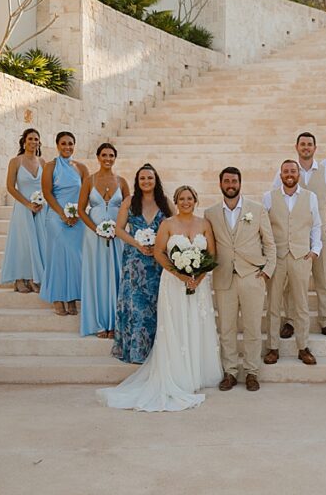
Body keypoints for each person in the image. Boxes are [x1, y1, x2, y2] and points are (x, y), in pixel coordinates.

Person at [98, 185, 221, 412]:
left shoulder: (204, 224)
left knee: (196, 323)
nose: (186, 202)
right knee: (175, 326)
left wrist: (198, 278)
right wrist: (180, 275)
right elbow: (159, 253)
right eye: (181, 199)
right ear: (176, 201)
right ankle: (177, 374)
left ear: (196, 200)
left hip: (198, 284)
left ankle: (196, 374)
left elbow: (211, 254)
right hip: (173, 283)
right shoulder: (167, 224)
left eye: (189, 198)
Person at [204, 167, 276, 392]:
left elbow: (270, 243)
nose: (230, 184)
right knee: (226, 328)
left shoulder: (256, 209)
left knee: (253, 327)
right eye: (226, 181)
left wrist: (266, 271)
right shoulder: (211, 213)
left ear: (240, 183)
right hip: (224, 277)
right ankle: (230, 372)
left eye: (234, 181)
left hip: (252, 277)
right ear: (220, 184)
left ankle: (252, 371)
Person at [271, 132, 326, 340]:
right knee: (291, 283)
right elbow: (274, 199)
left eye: (309, 144)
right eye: (302, 144)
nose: (306, 147)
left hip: (320, 233)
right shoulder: (285, 172)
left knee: (323, 278)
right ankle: (291, 321)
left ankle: (325, 320)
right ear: (296, 147)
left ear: (315, 148)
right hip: (294, 237)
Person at [112, 164, 173, 364]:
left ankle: (158, 351)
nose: (146, 181)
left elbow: (176, 225)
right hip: (135, 261)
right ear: (137, 182)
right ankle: (137, 351)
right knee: (137, 305)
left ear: (156, 181)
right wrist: (137, 244)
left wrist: (160, 245)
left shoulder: (165, 202)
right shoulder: (129, 202)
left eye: (150, 178)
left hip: (158, 262)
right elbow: (119, 229)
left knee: (156, 304)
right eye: (142, 178)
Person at [263, 159, 322, 366]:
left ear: (299, 174)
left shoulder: (310, 197)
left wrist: (315, 250)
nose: (289, 174)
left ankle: (303, 347)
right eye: (286, 171)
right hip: (276, 258)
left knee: (301, 305)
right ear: (280, 175)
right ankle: (272, 348)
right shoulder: (268, 198)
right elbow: (263, 228)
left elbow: (316, 226)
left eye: (293, 171)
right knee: (273, 304)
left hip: (301, 257)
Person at [78, 143, 129, 338]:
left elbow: (129, 208)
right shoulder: (89, 181)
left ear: (115, 158)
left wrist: (119, 229)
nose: (108, 158)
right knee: (97, 276)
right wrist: (96, 229)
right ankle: (99, 323)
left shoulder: (122, 182)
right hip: (94, 237)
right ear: (98, 157)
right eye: (104, 155)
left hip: (117, 237)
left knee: (117, 276)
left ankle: (115, 323)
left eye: (111, 155)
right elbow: (82, 210)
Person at [39, 131, 89, 315]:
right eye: (64, 143)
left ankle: (71, 297)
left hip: (77, 218)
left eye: (70, 143)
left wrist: (78, 213)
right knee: (58, 257)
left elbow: (87, 194)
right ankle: (58, 297)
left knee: (76, 258)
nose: (67, 147)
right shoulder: (50, 166)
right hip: (56, 217)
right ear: (57, 145)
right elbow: (47, 192)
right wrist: (62, 214)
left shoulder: (81, 168)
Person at [0, 128, 47, 293]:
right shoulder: (16, 161)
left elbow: (47, 187)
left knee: (38, 243)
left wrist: (42, 202)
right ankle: (19, 279)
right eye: (30, 139)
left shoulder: (42, 162)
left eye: (36, 139)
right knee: (22, 243)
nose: (33, 142)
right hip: (23, 207)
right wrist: (27, 204)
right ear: (24, 141)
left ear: (39, 142)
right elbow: (10, 187)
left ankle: (35, 278)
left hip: (40, 208)